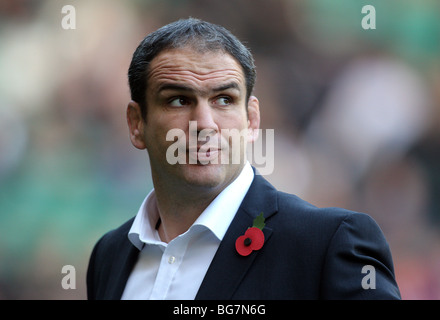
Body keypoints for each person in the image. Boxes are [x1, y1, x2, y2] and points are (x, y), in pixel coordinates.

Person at [86, 18, 401, 300]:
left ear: (251, 121)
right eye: (179, 100)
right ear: (136, 123)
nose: (205, 123)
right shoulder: (109, 255)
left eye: (224, 99)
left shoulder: (328, 243)